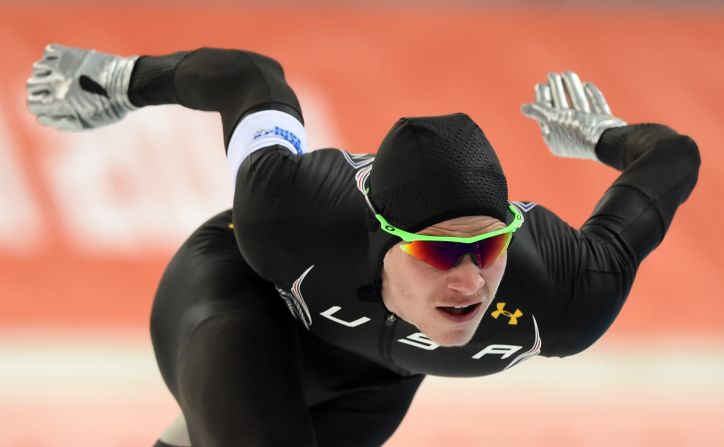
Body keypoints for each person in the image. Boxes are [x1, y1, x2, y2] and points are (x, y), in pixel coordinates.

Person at [26, 44, 700, 447]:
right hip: (240, 296)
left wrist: (604, 134)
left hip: (369, 373)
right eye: (438, 253)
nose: (471, 282)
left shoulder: (562, 289)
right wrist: (123, 81)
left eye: (487, 247)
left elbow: (671, 157)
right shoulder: (288, 208)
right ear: (383, 240)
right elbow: (251, 78)